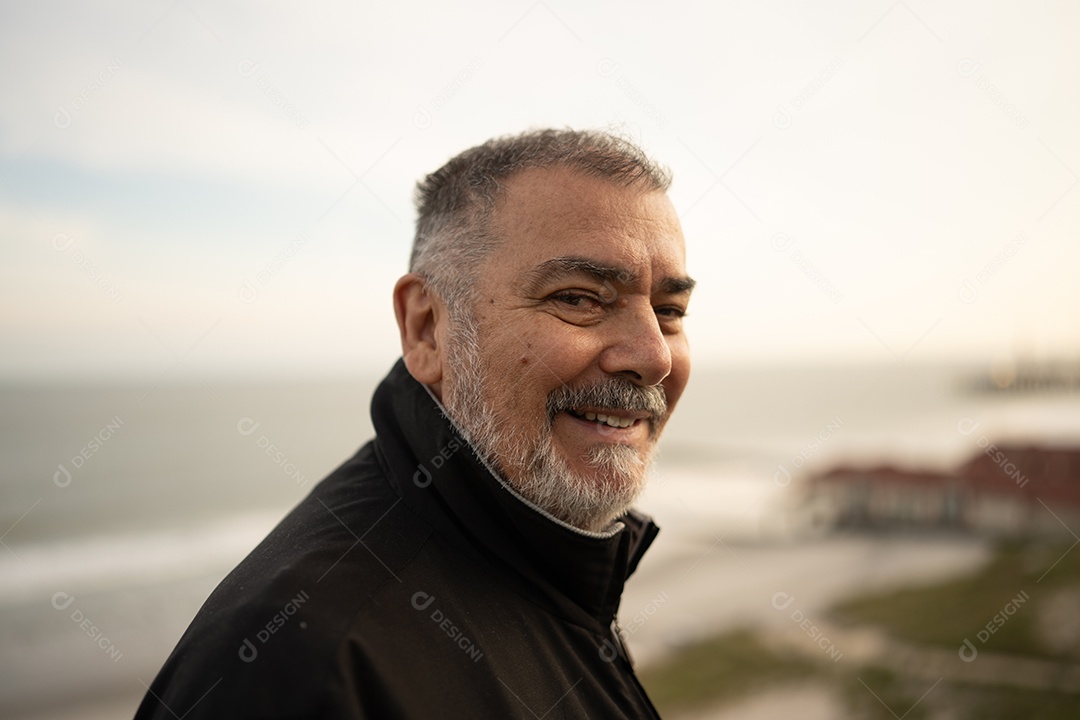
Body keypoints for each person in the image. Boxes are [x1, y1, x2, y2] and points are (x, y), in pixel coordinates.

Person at [134, 128, 695, 719]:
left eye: (670, 312)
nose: (654, 355)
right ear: (427, 328)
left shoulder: (554, 558)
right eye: (580, 298)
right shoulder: (309, 667)